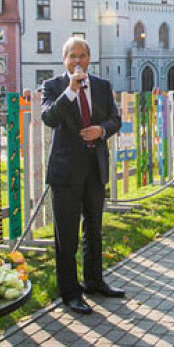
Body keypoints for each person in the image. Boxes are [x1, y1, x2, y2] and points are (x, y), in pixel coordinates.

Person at [41, 38, 125, 316]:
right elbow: (49, 118)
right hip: (66, 172)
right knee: (67, 235)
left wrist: (102, 130)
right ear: (64, 59)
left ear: (90, 58)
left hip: (94, 167)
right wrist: (70, 92)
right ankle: (70, 292)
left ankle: (94, 280)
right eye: (72, 56)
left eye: (83, 56)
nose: (78, 61)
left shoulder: (102, 85)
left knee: (94, 229)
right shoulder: (54, 86)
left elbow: (116, 118)